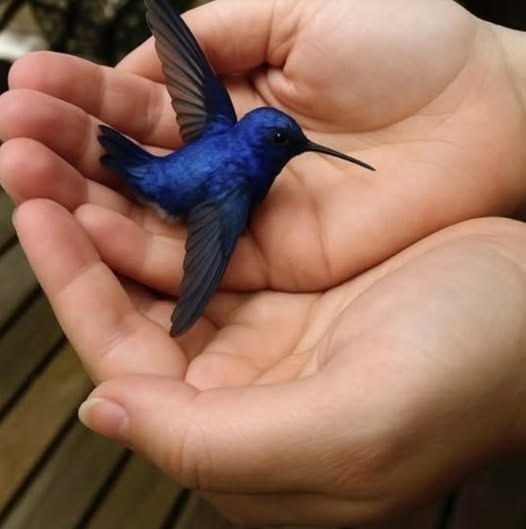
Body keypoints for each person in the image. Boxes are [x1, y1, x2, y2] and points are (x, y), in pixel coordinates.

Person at [1, 0, 526, 525]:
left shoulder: (221, 121)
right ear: (265, 146)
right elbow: (216, 243)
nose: (298, 148)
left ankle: (128, 164)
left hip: (161, 169)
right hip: (164, 188)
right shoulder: (235, 190)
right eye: (286, 143)